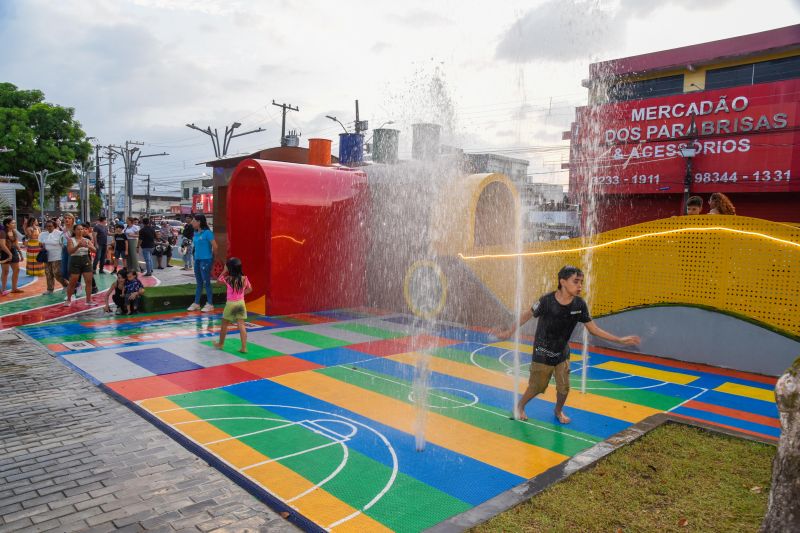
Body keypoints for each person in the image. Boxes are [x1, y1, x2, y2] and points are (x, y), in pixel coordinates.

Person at [493, 266, 641, 424]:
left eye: (581, 282)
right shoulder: (546, 301)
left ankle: (558, 411)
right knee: (537, 386)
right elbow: (526, 316)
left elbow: (593, 329)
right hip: (542, 351)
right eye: (576, 282)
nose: (580, 286)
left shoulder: (579, 305)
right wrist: (509, 332)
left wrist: (619, 340)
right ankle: (520, 406)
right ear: (562, 282)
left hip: (562, 352)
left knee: (564, 388)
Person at [213, 257, 252, 353]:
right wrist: (241, 294)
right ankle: (244, 347)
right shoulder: (244, 278)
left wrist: (224, 271)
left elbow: (218, 282)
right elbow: (250, 289)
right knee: (241, 325)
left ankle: (221, 344)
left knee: (224, 325)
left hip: (230, 304)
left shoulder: (228, 279)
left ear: (230, 268)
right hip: (240, 303)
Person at [187, 214, 217, 313]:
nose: (192, 222)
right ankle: (196, 303)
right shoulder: (195, 233)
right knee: (199, 282)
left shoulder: (208, 233)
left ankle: (210, 304)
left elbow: (215, 247)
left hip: (206, 260)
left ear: (199, 222)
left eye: (194, 221)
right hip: (197, 260)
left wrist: (211, 259)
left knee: (206, 282)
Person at [64, 223, 96, 307]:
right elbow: (70, 252)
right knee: (72, 282)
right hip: (75, 260)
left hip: (86, 260)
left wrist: (89, 246)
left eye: (82, 229)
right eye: (78, 229)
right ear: (74, 231)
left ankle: (88, 300)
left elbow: (95, 250)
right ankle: (68, 299)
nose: (80, 230)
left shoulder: (87, 240)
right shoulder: (71, 240)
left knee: (89, 281)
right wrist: (78, 246)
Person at [39, 219, 68, 294]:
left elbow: (60, 243)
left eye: (50, 226)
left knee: (56, 273)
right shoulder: (42, 234)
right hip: (47, 256)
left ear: (54, 226)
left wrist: (46, 242)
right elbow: (40, 243)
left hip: (57, 256)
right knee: (48, 273)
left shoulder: (60, 233)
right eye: (47, 226)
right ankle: (50, 289)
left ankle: (66, 285)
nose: (49, 227)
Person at [2, 218, 24, 294]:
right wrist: (9, 254)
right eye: (12, 223)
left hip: (13, 251)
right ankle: (3, 289)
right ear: (7, 224)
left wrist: (20, 253)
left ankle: (14, 288)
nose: (14, 224)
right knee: (5, 271)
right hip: (4, 252)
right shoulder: (2, 232)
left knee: (17, 270)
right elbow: (2, 245)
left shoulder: (14, 232)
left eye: (14, 223)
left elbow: (16, 243)